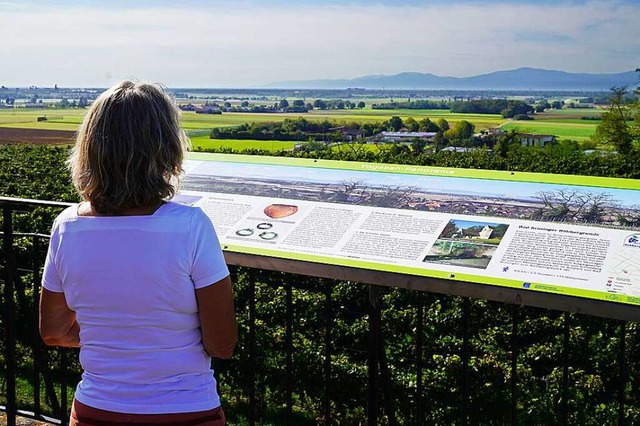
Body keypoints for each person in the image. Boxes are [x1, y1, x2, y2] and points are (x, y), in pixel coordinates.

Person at [39, 81, 237, 426]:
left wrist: (114, 339)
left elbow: (53, 331)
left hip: (96, 411)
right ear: (167, 148)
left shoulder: (67, 227)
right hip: (186, 411)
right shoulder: (190, 226)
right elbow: (222, 344)